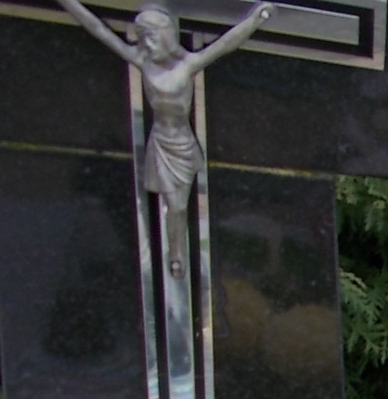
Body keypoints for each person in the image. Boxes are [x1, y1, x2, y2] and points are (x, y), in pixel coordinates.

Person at [53, 0, 273, 279]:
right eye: (144, 38)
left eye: (153, 37)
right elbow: (98, 29)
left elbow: (226, 44)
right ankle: (176, 255)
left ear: (166, 36)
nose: (148, 43)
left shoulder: (188, 64)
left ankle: (177, 252)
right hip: (160, 142)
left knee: (179, 205)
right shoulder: (143, 62)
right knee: (174, 205)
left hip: (182, 143)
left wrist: (256, 19)